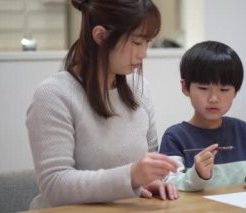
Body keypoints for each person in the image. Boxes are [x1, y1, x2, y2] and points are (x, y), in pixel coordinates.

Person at [26, 0, 179, 209]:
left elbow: (149, 161)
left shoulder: (140, 88)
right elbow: (55, 185)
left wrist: (151, 179)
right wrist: (131, 177)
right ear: (100, 36)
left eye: (148, 42)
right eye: (137, 42)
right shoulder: (53, 95)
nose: (144, 53)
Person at [159, 41, 246, 192]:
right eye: (203, 88)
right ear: (185, 87)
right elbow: (169, 184)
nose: (214, 98)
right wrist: (197, 174)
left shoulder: (240, 129)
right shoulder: (175, 137)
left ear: (235, 92)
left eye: (224, 89)